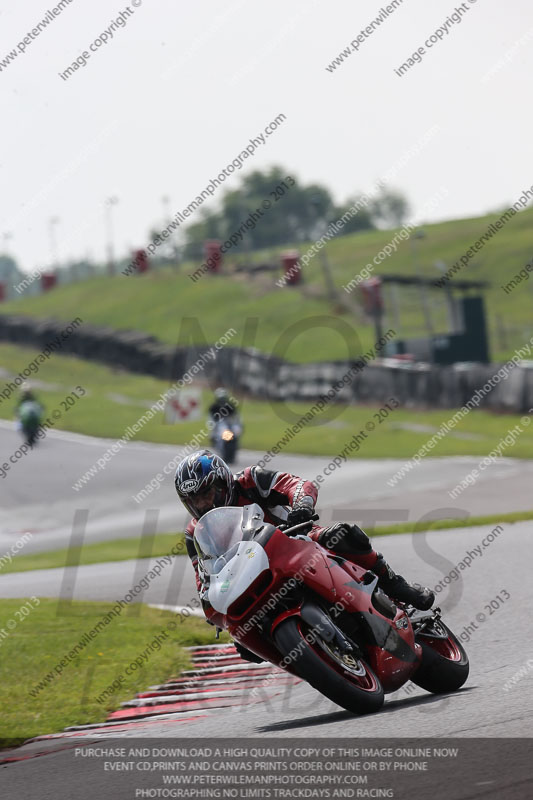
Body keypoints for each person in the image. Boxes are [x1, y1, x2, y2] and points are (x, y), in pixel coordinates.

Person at [174, 449, 435, 663]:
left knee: (344, 535)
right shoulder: (194, 533)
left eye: (206, 493)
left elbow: (298, 485)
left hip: (296, 539)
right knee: (244, 643)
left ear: (222, 482)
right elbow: (203, 575)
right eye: (194, 500)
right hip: (249, 574)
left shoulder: (250, 480)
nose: (203, 504)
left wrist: (302, 505)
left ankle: (396, 585)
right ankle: (312, 659)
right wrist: (211, 603)